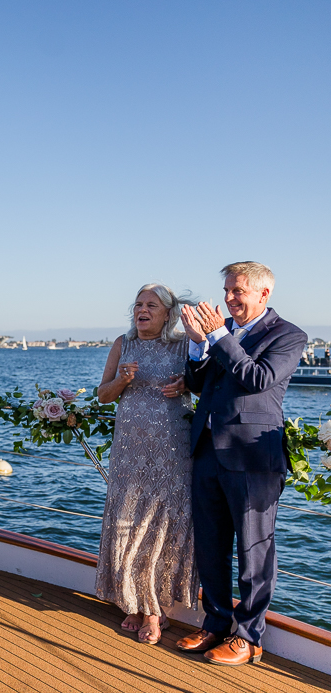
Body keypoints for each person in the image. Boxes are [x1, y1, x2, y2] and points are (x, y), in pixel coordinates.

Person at [175, 262, 306, 666]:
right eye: (227, 290)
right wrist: (199, 343)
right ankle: (215, 623)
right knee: (210, 546)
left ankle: (249, 637)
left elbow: (257, 378)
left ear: (264, 294)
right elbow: (199, 384)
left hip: (252, 459)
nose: (229, 299)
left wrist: (216, 335)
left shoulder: (288, 335)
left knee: (254, 549)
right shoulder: (224, 333)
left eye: (238, 292)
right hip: (207, 452)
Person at [93, 284, 198, 645]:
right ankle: (132, 602)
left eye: (151, 305)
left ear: (167, 314)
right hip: (129, 452)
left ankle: (155, 610)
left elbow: (204, 384)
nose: (143, 309)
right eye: (138, 304)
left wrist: (186, 383)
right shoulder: (124, 344)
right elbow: (102, 395)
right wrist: (121, 380)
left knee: (162, 524)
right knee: (128, 521)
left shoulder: (184, 344)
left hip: (172, 451)